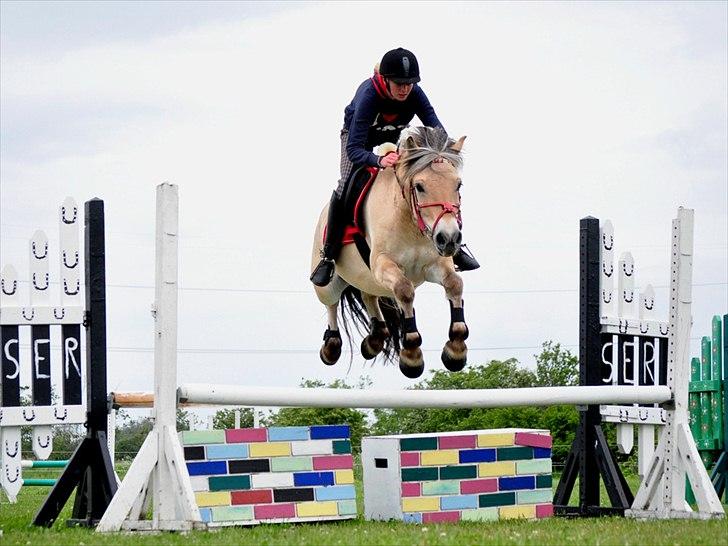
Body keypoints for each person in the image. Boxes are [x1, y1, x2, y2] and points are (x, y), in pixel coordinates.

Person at [310, 47, 479, 287]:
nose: (405, 88)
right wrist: (378, 160)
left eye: (409, 83)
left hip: (393, 139)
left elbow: (436, 128)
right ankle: (328, 255)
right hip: (357, 142)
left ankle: (453, 246)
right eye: (399, 83)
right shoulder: (369, 95)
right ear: (385, 80)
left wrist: (445, 153)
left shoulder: (415, 93)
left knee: (432, 181)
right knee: (345, 185)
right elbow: (354, 149)